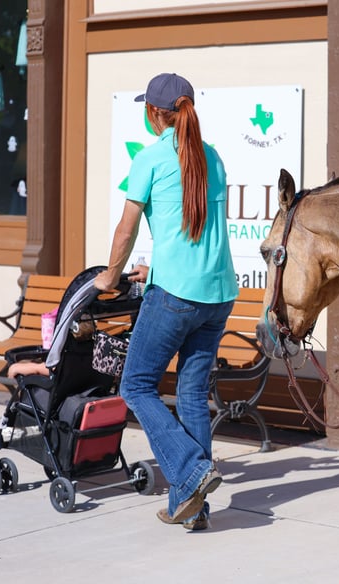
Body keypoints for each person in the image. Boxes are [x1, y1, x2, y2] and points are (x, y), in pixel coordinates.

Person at [94, 72, 238, 531]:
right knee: (191, 392)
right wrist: (152, 269)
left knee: (136, 385)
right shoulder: (213, 158)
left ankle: (191, 471)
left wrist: (110, 276)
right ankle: (190, 507)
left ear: (155, 113)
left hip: (176, 293)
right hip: (217, 294)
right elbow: (196, 227)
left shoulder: (152, 158)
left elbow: (126, 229)